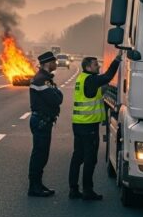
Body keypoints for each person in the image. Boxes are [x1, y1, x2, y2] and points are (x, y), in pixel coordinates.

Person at [68, 54, 121, 200]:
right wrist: (117, 60)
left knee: (77, 157)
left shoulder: (81, 78)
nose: (98, 66)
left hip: (78, 124)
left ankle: (73, 189)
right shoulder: (91, 79)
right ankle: (87, 191)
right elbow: (108, 76)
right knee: (90, 159)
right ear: (88, 67)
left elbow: (93, 93)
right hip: (89, 125)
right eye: (95, 64)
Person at [27, 51, 63, 197]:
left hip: (44, 121)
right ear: (48, 63)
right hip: (41, 121)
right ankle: (34, 187)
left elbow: (57, 96)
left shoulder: (46, 79)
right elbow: (56, 99)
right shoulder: (41, 80)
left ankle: (38, 184)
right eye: (54, 61)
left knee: (42, 154)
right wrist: (56, 93)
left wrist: (56, 93)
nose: (56, 64)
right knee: (39, 154)